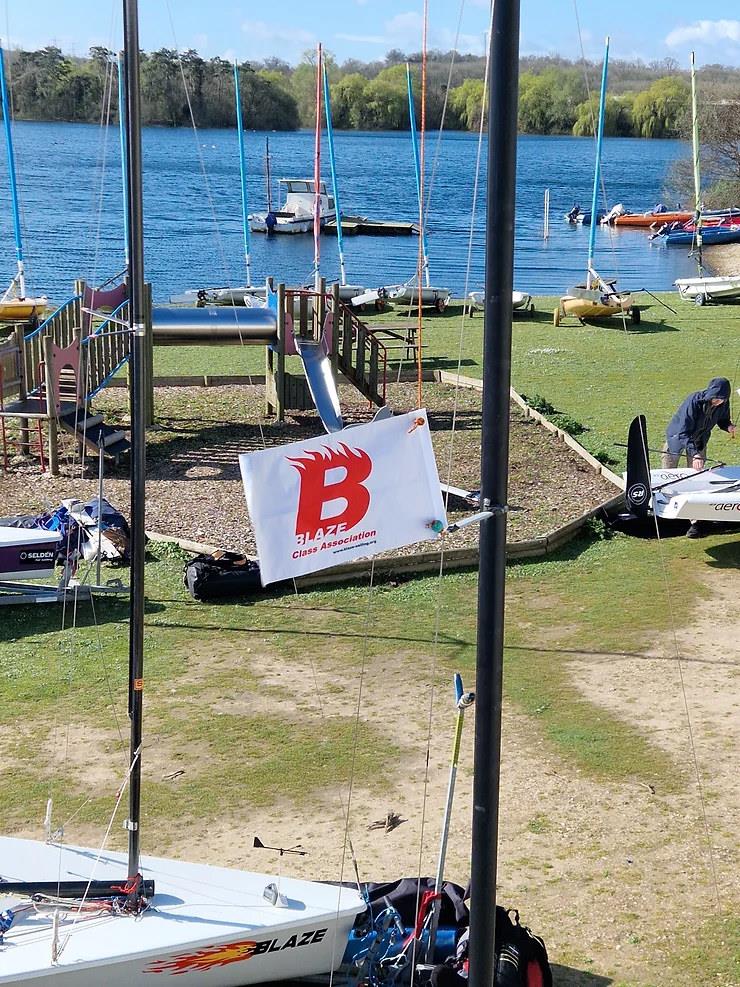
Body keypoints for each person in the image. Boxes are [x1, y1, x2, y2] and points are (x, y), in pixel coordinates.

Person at [662, 377, 736, 537]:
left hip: (700, 440)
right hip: (677, 437)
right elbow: (682, 432)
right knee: (668, 474)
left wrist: (728, 426)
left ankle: (696, 521)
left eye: (722, 399)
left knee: (697, 477)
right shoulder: (693, 401)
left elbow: (722, 419)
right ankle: (664, 509)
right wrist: (694, 453)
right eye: (716, 398)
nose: (718, 402)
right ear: (711, 393)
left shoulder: (723, 403)